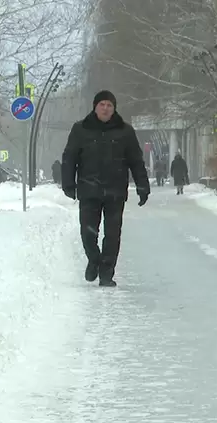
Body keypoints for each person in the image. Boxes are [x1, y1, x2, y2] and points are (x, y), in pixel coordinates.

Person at [61, 90, 150, 287]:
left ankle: (107, 273)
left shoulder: (125, 131)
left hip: (115, 191)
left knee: (113, 234)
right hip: (88, 190)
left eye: (109, 105)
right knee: (88, 231)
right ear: (95, 106)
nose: (105, 108)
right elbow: (69, 158)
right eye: (102, 104)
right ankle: (94, 259)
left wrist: (142, 186)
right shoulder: (81, 129)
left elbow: (136, 160)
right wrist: (68, 183)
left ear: (114, 109)